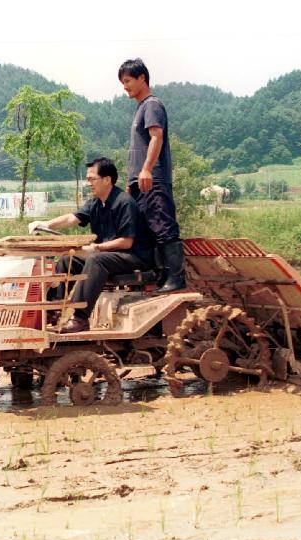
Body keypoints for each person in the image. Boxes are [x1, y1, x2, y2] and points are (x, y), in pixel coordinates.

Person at [28, 157, 153, 333]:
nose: (89, 183)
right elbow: (72, 218)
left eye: (92, 179)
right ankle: (52, 310)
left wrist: (96, 248)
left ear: (107, 179)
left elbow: (126, 242)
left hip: (134, 256)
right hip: (108, 255)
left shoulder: (124, 202)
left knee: (96, 260)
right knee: (67, 259)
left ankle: (80, 318)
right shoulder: (95, 202)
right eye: (88, 179)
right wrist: (46, 224)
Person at [118, 58, 186, 293]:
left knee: (163, 225)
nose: (124, 86)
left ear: (142, 78)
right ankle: (159, 276)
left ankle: (176, 278)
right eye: (122, 82)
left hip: (153, 178)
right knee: (147, 228)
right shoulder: (140, 108)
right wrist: (132, 180)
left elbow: (156, 137)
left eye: (127, 81)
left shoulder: (152, 105)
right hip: (141, 181)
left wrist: (146, 169)